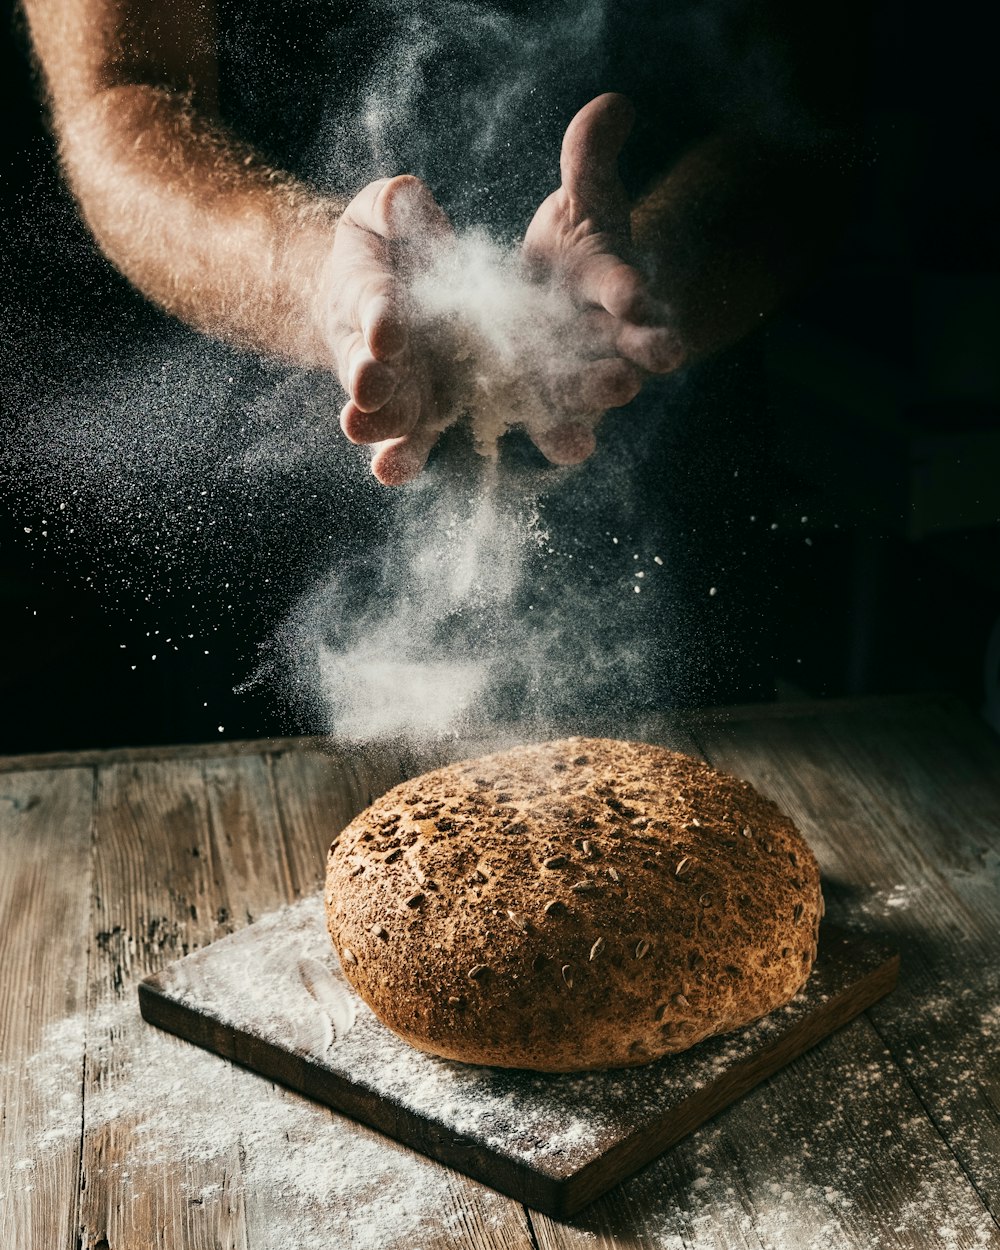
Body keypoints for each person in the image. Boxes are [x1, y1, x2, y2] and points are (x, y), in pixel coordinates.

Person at [21, 0, 862, 718]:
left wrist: (651, 277)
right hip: (280, 445)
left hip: (663, 398)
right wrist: (320, 280)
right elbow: (123, 95)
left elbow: (820, 103)